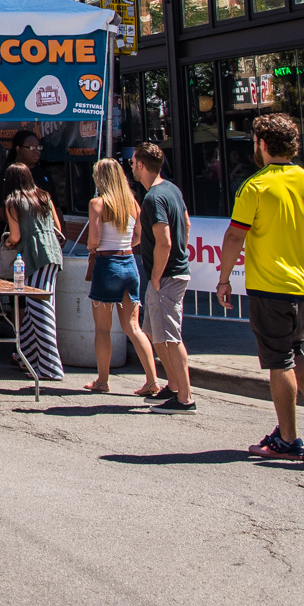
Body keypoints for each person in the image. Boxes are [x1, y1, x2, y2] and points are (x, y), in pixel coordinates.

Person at [213, 113, 304, 460]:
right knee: (294, 350)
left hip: (271, 286)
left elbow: (235, 235)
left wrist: (224, 279)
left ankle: (288, 438)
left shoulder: (256, 185)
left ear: (262, 144)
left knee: (279, 360)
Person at [84, 158, 159, 398]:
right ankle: (152, 380)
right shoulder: (132, 203)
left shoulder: (98, 203)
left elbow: (94, 240)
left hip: (107, 264)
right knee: (133, 327)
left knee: (103, 329)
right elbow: (138, 237)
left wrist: (90, 246)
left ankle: (103, 381)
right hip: (129, 262)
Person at [133, 143, 195, 411]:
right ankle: (174, 386)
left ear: (142, 166)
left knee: (169, 337)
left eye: (134, 162)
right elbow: (187, 223)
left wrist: (157, 275)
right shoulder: (172, 190)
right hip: (172, 272)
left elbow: (165, 241)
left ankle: (185, 398)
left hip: (166, 275)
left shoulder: (154, 198)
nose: (132, 166)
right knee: (156, 333)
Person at [2, 165, 65, 381]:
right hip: (53, 253)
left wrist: (8, 241)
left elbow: (16, 236)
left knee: (40, 307)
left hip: (33, 254)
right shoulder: (44, 196)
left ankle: (50, 367)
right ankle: (25, 355)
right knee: (34, 306)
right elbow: (57, 226)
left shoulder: (13, 201)